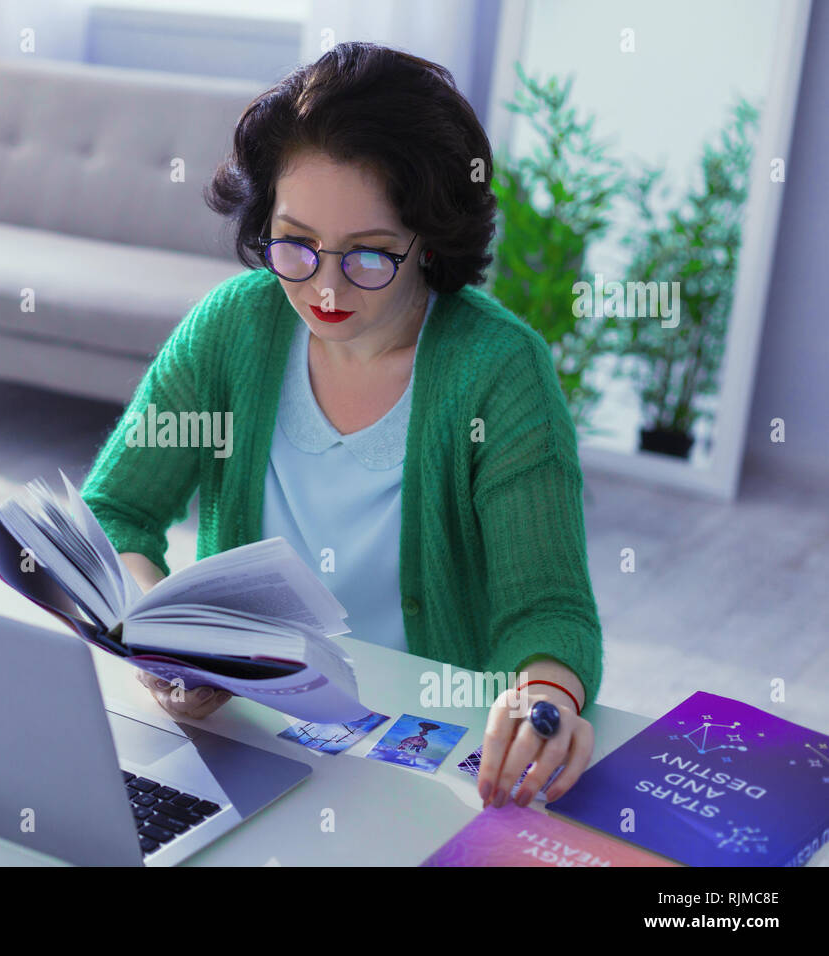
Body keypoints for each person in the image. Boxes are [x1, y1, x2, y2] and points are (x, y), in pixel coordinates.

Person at [80, 42, 603, 811]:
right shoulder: (236, 327)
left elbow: (547, 610)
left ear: (430, 240)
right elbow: (115, 512)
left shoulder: (499, 371)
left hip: (427, 756)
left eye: (369, 255)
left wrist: (544, 701)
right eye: (295, 243)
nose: (324, 288)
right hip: (250, 735)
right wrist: (165, 642)